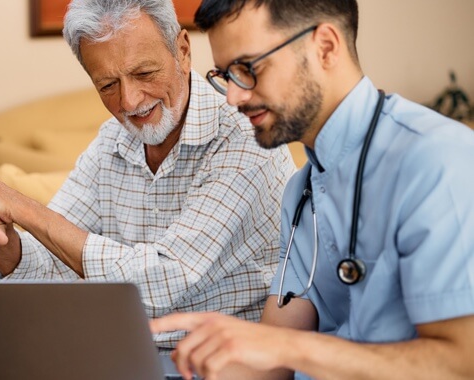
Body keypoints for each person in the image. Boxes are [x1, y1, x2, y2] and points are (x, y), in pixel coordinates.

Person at [0, 0, 296, 377]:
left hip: (217, 364)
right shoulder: (112, 141)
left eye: (144, 72)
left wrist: (22, 208)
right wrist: (9, 244)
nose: (129, 102)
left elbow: (161, 281)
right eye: (107, 84)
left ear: (183, 50)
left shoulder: (245, 138)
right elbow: (53, 262)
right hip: (120, 348)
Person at [150, 1, 474, 379]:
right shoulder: (301, 192)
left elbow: (461, 364)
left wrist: (286, 348)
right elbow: (272, 362)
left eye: (248, 68)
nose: (233, 97)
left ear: (325, 47)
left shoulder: (437, 160)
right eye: (226, 75)